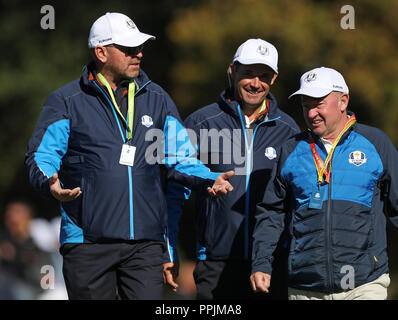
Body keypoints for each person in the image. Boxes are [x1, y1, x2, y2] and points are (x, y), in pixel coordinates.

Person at [24, 12, 233, 300]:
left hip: (144, 245)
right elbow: (41, 156)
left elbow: (181, 157)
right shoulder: (66, 101)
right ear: (101, 52)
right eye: (128, 49)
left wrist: (209, 178)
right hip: (87, 243)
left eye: (139, 48)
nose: (139, 54)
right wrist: (50, 183)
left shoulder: (158, 99)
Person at [165, 39, 300, 299]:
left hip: (272, 262)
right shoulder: (201, 121)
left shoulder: (289, 130)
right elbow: (174, 190)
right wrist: (169, 249)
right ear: (232, 71)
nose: (255, 83)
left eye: (264, 76)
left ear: (274, 78)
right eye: (248, 73)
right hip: (215, 259)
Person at [250, 66, 398, 300]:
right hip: (305, 288)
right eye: (306, 105)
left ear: (343, 101)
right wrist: (261, 263)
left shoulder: (376, 143)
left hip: (364, 284)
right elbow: (272, 212)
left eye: (318, 104)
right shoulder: (290, 150)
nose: (311, 114)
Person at [0, 200, 53, 299]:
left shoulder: (38, 241)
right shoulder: (4, 240)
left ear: (28, 218)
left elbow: (48, 277)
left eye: (17, 214)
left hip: (36, 289)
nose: (11, 219)